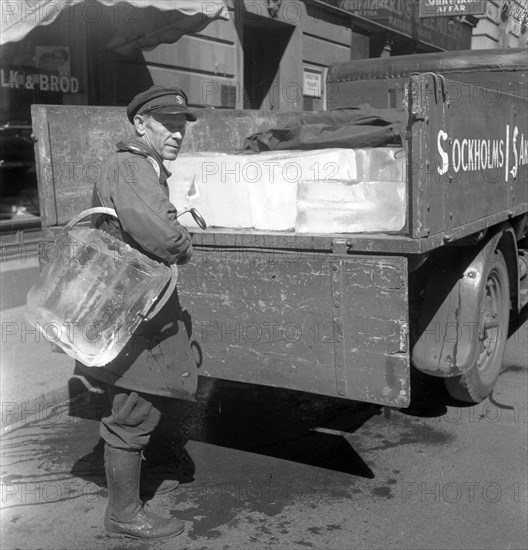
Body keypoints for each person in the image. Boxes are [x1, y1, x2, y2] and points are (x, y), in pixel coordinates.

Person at [76, 85, 199, 541]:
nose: (177, 132)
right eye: (167, 122)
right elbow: (162, 234)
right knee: (134, 404)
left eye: (182, 124)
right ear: (140, 124)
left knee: (155, 389)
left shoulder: (142, 165)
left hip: (135, 304)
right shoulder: (130, 166)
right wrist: (183, 245)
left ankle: (145, 473)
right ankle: (124, 515)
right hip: (129, 308)